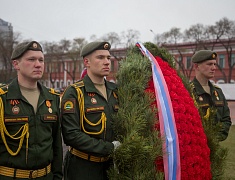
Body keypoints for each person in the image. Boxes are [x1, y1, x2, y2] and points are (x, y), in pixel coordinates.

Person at [0, 41, 63, 179]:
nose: (38, 64)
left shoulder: (52, 98)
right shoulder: (2, 98)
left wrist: (57, 176)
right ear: (16, 64)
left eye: (41, 60)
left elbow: (56, 144)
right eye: (31, 59)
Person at [61, 41, 120, 180]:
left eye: (108, 58)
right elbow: (71, 135)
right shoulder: (74, 92)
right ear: (86, 62)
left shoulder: (115, 91)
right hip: (83, 168)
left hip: (110, 167)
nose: (106, 62)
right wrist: (109, 148)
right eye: (100, 57)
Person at [191, 50, 231, 141]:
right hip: (196, 147)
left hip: (215, 148)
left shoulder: (218, 92)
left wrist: (214, 139)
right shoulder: (189, 91)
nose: (214, 68)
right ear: (197, 66)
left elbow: (226, 119)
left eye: (214, 64)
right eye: (209, 64)